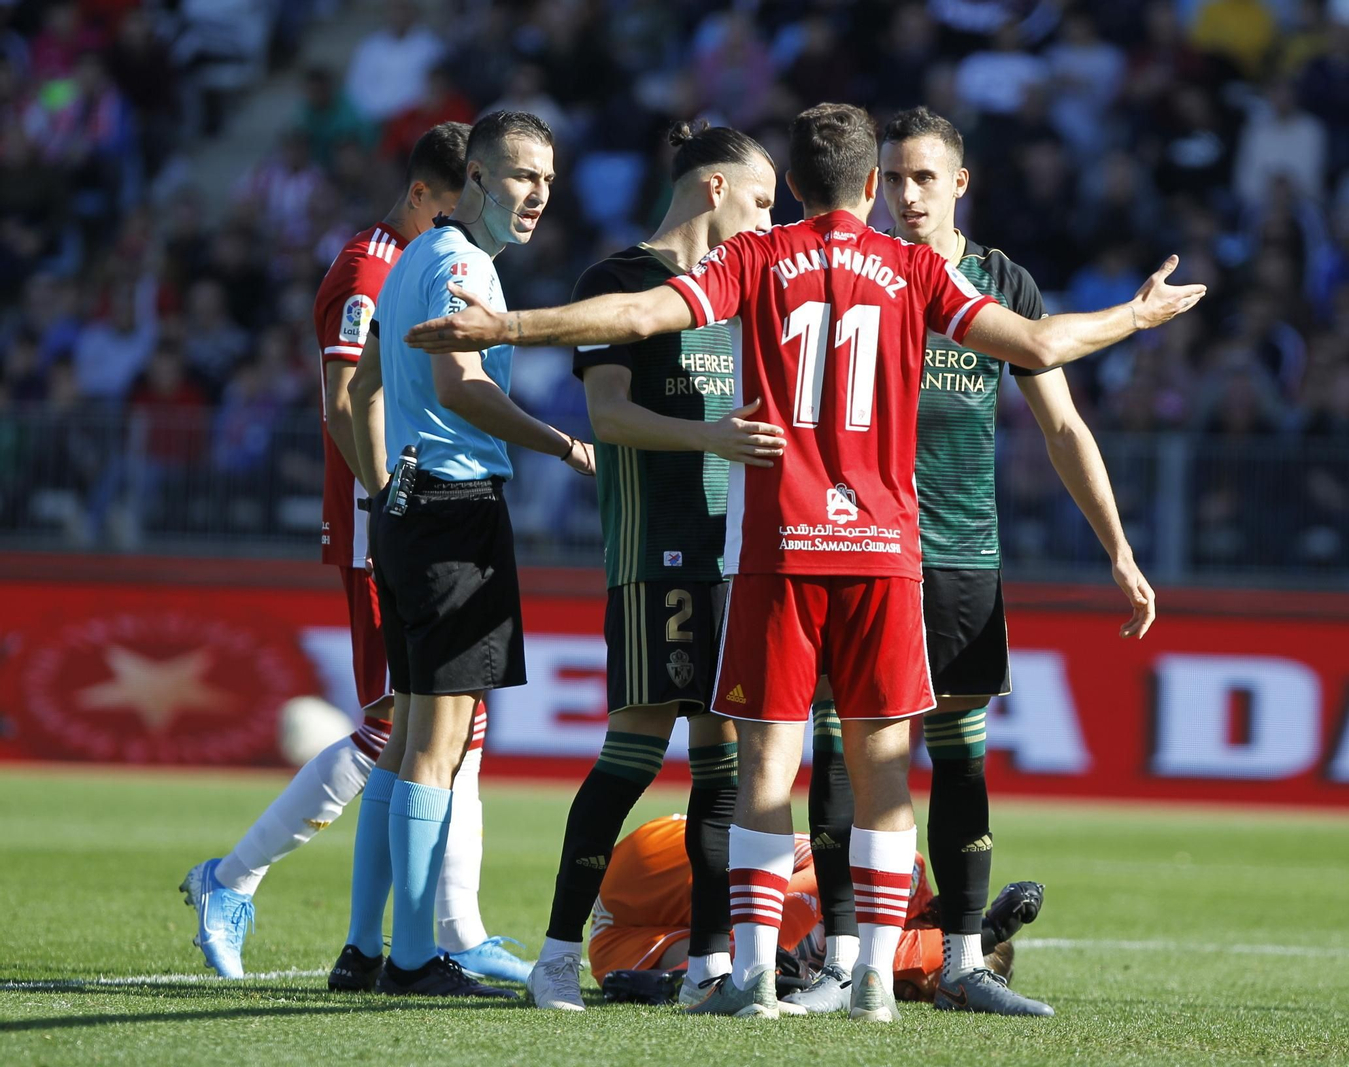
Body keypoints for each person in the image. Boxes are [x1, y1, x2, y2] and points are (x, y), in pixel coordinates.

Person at [404, 101, 1205, 1021]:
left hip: (780, 553)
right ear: (872, 184)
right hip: (883, 553)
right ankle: (869, 979)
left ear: (791, 186)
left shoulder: (757, 257)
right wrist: (1138, 315)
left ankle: (748, 976)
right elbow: (1041, 344)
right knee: (882, 768)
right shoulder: (914, 268)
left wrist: (505, 330)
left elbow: (633, 314)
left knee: (764, 765)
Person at [785, 107, 1154, 1019]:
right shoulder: (853, 275)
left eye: (925, 178)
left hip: (960, 554)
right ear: (871, 183)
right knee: (842, 748)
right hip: (858, 548)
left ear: (959, 184)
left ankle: (960, 959)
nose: (907, 195)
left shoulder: (1001, 282)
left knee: (959, 756)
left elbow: (1063, 425)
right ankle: (839, 958)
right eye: (895, 177)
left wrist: (1118, 548)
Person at [181, 124, 529, 987]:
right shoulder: (371, 270)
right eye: (455, 208)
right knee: (395, 726)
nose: (463, 231)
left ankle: (455, 925)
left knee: (457, 724)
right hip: (390, 515)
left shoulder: (411, 262)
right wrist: (388, 499)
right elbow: (345, 399)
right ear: (426, 194)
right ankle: (232, 877)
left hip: (410, 510)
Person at [528, 120, 783, 1012]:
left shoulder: (746, 288)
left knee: (725, 767)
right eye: (759, 201)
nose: (767, 222)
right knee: (631, 758)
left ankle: (710, 964)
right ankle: (556, 954)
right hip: (655, 553)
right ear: (714, 189)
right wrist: (710, 435)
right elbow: (608, 415)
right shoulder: (620, 282)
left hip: (735, 554)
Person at [345, 110, 595, 999]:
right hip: (454, 510)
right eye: (523, 176)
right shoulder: (463, 265)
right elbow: (462, 382)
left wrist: (381, 482)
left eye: (549, 181)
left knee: (410, 734)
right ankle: (415, 960)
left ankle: (362, 948)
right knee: (438, 743)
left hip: (413, 510)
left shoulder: (412, 257)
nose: (538, 195)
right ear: (479, 179)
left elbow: (363, 386)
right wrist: (564, 445)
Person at [587, 815, 1045, 1003]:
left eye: (911, 992)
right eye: (918, 983)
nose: (904, 984)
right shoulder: (907, 874)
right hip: (656, 859)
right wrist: (985, 934)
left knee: (771, 961)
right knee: (782, 950)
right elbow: (786, 906)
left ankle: (679, 980)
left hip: (615, 939)